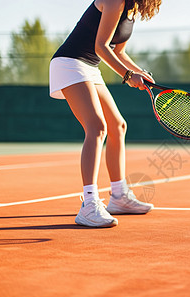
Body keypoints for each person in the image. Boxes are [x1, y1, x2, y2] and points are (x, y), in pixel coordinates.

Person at [49, 0, 162, 227]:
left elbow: (118, 51)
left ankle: (119, 197)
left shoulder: (130, 9)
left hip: (90, 67)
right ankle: (88, 206)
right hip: (69, 63)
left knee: (118, 126)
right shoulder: (114, 0)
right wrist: (128, 76)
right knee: (97, 127)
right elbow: (101, 45)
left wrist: (139, 71)